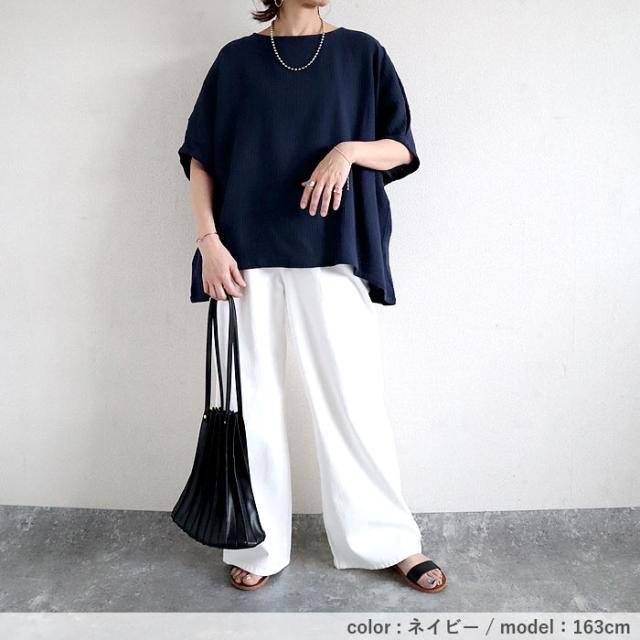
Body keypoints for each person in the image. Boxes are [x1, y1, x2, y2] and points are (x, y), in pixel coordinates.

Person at [177, 0, 447, 593]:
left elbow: (400, 147)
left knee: (353, 399)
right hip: (243, 254)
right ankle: (257, 541)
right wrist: (209, 242)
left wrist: (348, 150)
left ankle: (389, 540)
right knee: (251, 403)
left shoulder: (361, 53)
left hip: (333, 244)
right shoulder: (236, 61)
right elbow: (202, 157)